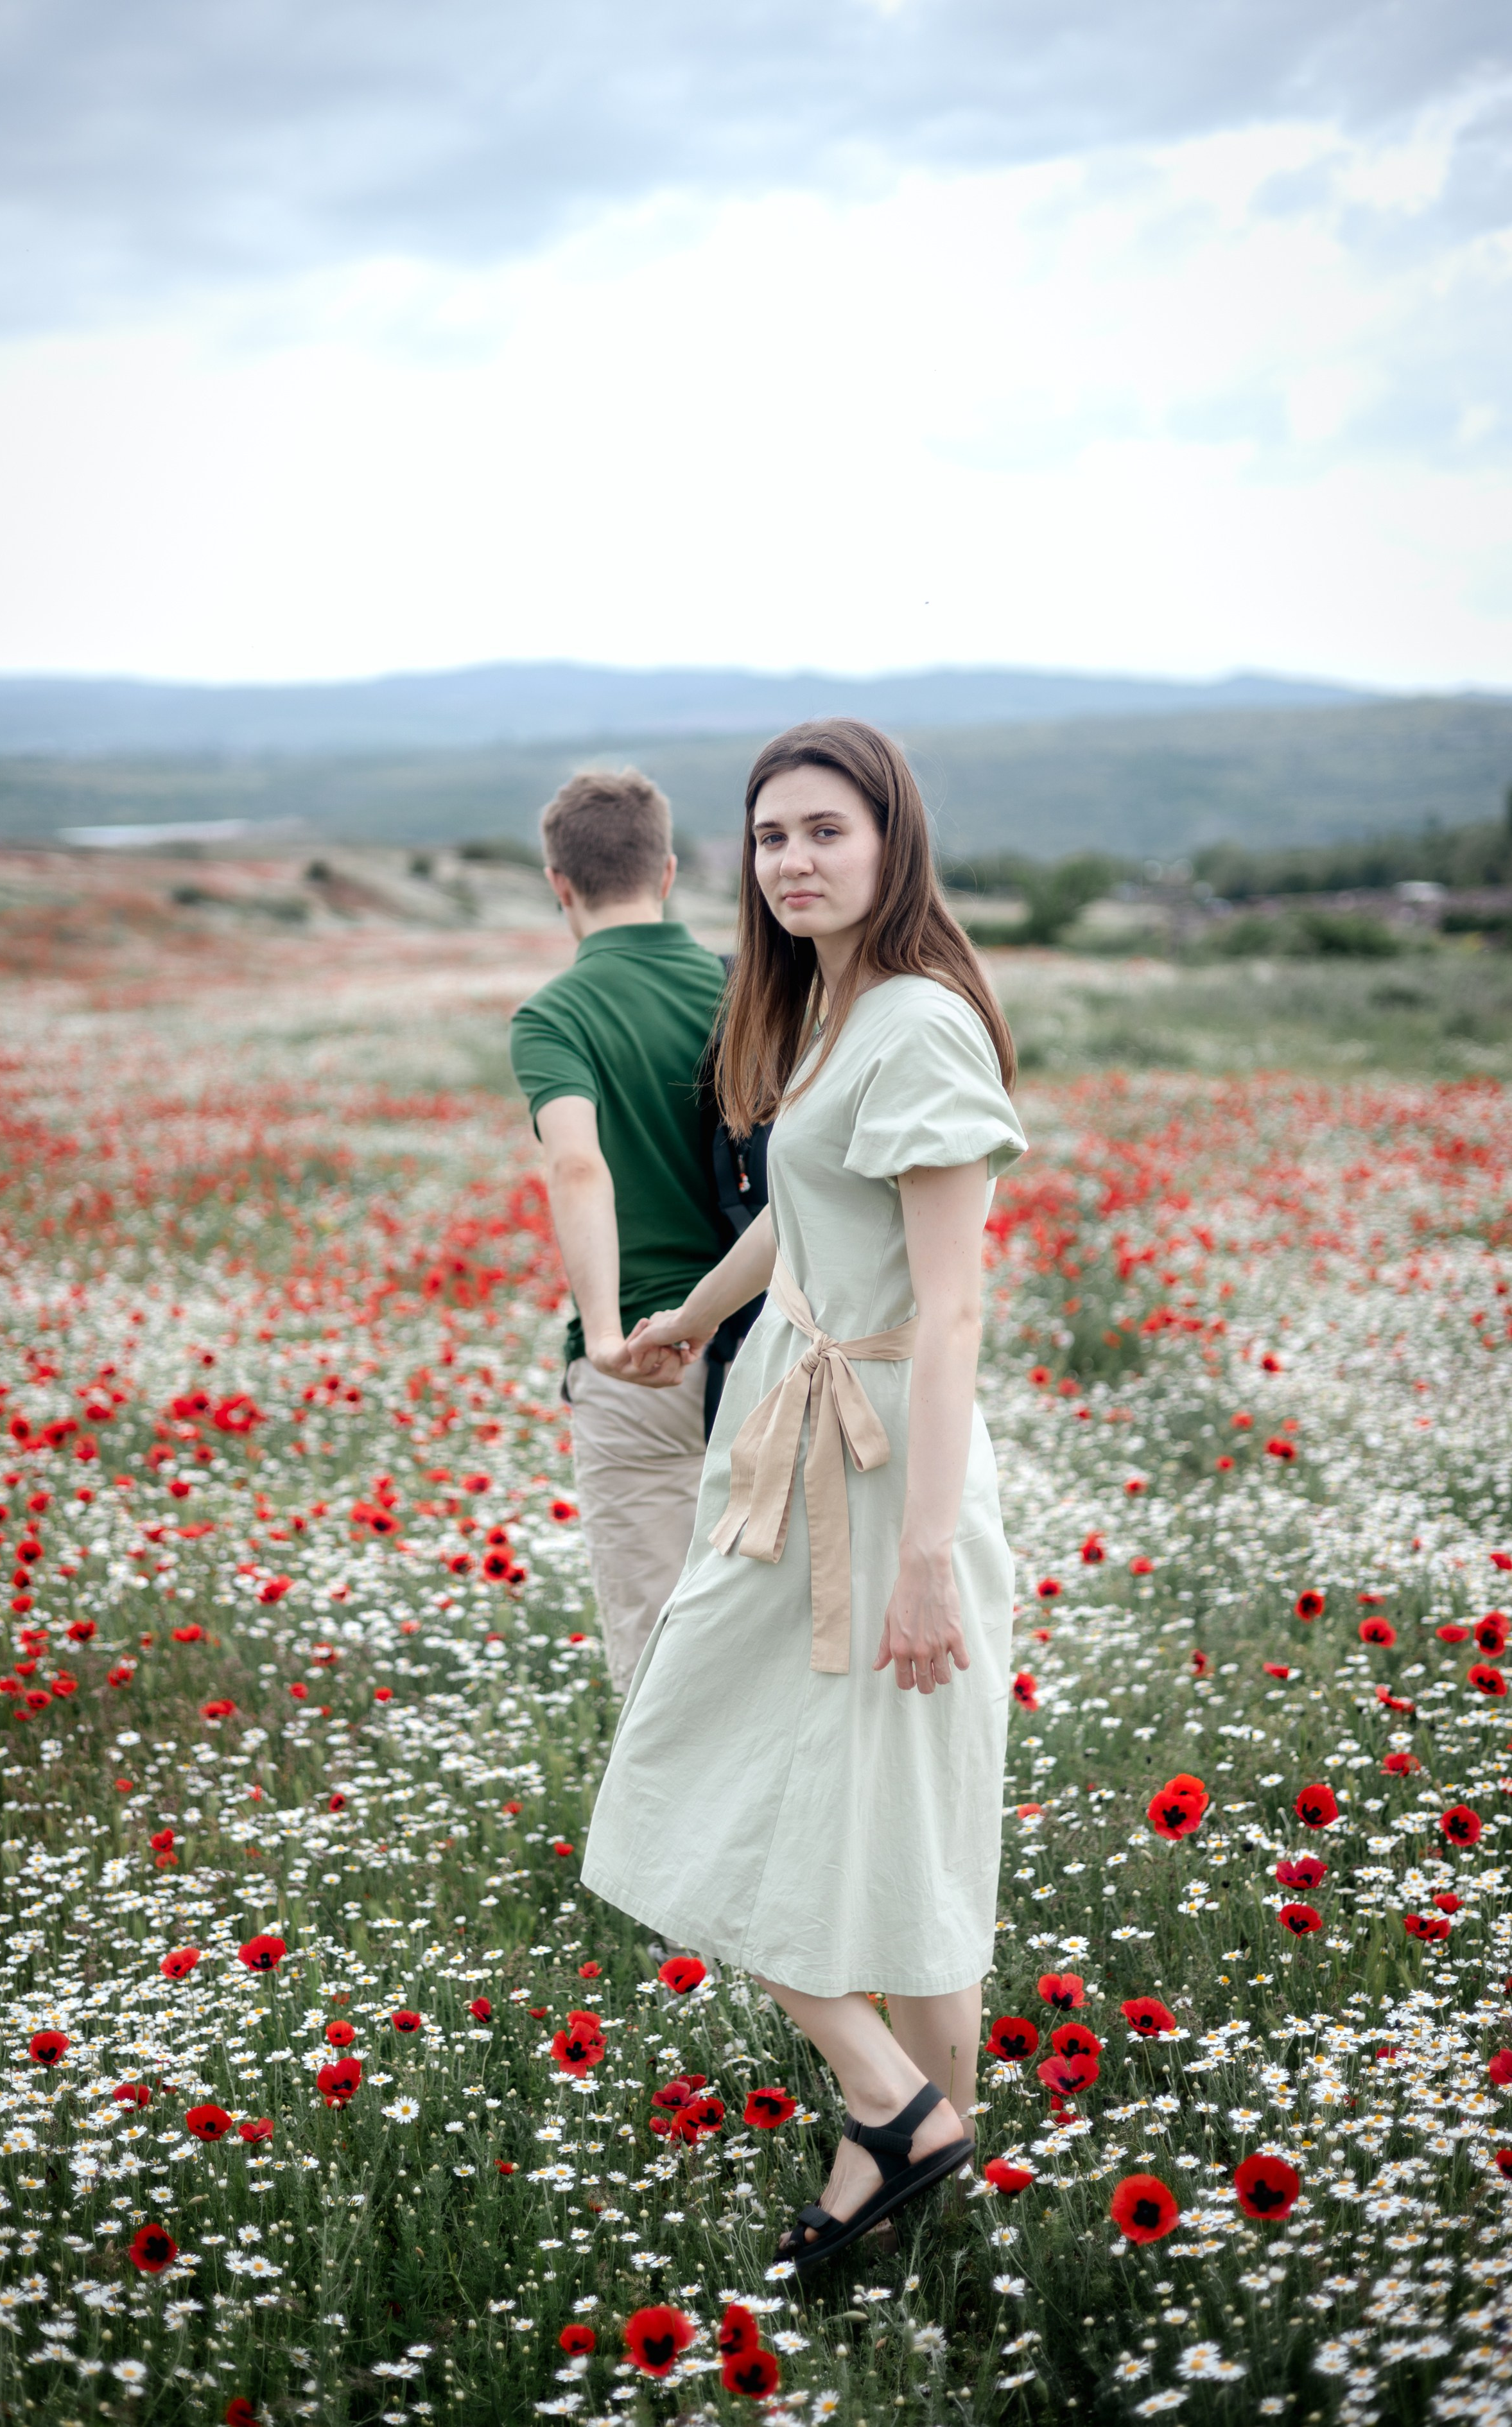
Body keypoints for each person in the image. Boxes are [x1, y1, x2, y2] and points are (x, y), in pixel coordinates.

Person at [580, 718, 1027, 2271]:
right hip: (798, 1432)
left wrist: (924, 1564)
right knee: (848, 1811)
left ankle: (896, 2114)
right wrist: (693, 1320)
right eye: (771, 838)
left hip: (885, 1465)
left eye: (826, 830)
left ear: (893, 839)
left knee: (688, 1780)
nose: (794, 862)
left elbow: (952, 1309)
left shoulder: (920, 1024)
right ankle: (914, 2168)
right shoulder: (833, 1015)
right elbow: (805, 1215)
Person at [509, 766, 739, 1694]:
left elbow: (577, 1165)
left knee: (660, 1667)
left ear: (560, 886)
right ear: (670, 872)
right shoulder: (750, 987)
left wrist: (605, 1335)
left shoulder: (555, 1015)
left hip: (642, 1363)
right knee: (784, 1647)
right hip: (767, 1352)